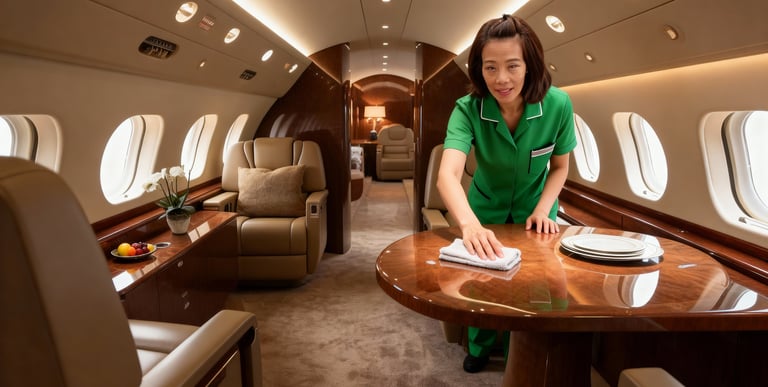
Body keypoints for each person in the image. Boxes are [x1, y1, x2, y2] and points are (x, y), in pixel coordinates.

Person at [436, 14, 577, 373]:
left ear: (530, 66)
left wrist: (545, 210)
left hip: (537, 210)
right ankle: (481, 346)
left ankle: (522, 349)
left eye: (513, 66)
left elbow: (560, 167)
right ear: (478, 71)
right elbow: (448, 175)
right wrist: (469, 224)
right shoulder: (466, 110)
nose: (502, 79)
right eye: (490, 68)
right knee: (480, 284)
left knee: (536, 287)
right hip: (483, 209)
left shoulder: (558, 105)